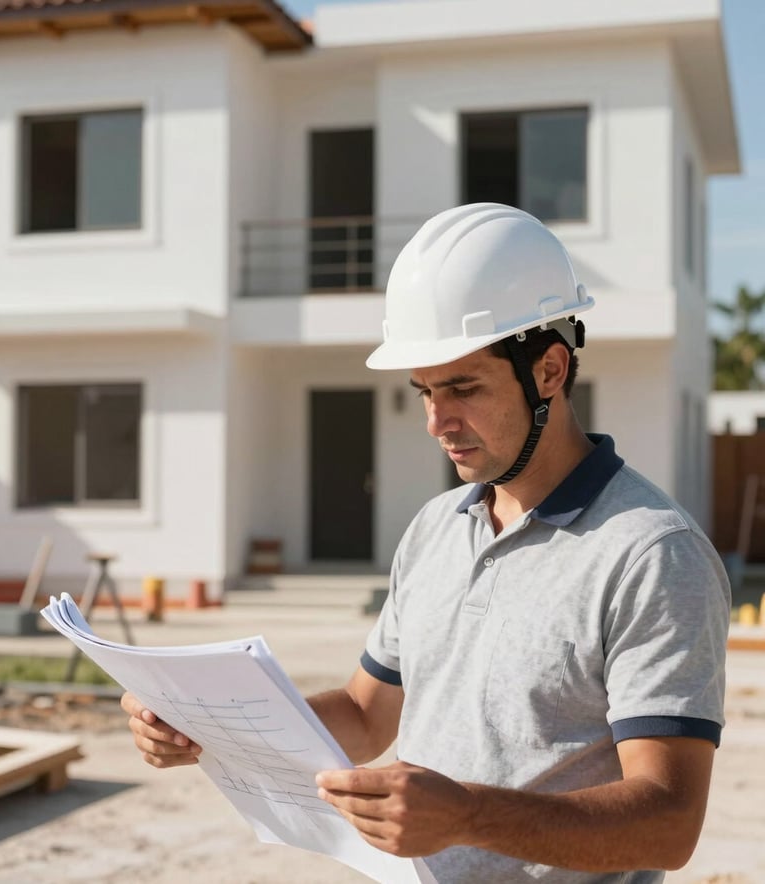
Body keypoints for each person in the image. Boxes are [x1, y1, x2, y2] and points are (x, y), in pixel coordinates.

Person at [122, 204, 731, 883]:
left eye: (464, 387)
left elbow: (668, 825)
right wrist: (211, 729)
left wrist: (470, 815)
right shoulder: (438, 527)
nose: (438, 421)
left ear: (551, 372)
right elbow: (363, 714)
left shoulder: (651, 553)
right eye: (424, 391)